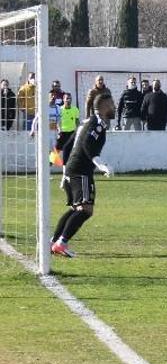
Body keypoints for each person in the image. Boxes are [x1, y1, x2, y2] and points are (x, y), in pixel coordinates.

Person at [50, 92, 116, 259]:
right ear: (103, 106)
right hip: (81, 171)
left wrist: (65, 171)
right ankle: (61, 243)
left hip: (73, 169)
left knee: (76, 208)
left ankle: (53, 242)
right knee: (86, 209)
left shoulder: (85, 122)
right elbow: (87, 145)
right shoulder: (97, 124)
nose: (114, 107)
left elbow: (68, 145)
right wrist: (101, 164)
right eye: (112, 104)